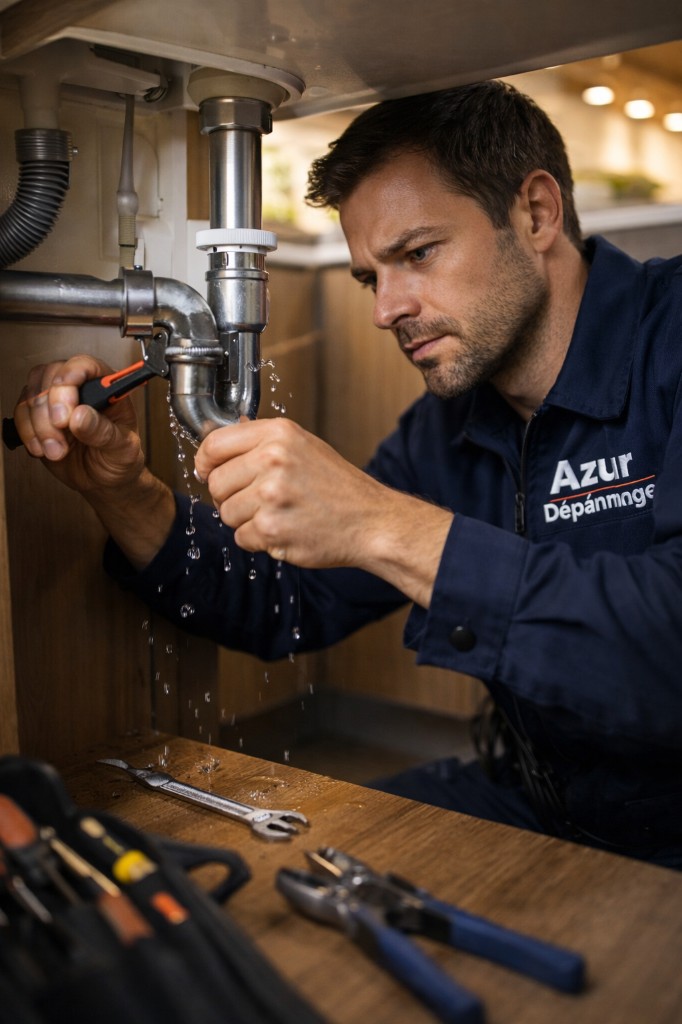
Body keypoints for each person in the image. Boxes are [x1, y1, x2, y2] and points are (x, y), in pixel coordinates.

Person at [13, 81, 682, 869]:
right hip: (537, 796)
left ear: (536, 213)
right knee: (284, 877)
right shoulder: (456, 421)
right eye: (370, 276)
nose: (386, 309)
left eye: (418, 254)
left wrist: (380, 523)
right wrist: (122, 491)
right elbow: (290, 601)